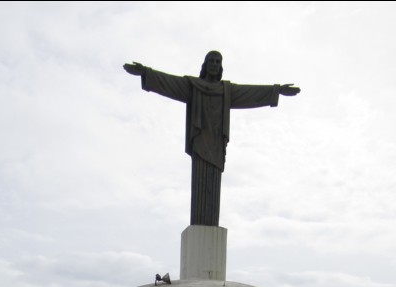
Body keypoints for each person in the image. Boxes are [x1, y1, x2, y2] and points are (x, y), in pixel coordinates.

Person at [124, 51, 300, 226]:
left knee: (213, 188)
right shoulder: (193, 85)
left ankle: (209, 224)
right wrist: (146, 73)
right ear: (205, 64)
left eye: (218, 61)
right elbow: (170, 82)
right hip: (200, 141)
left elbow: (250, 93)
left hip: (216, 145)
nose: (215, 64)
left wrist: (277, 90)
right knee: (200, 186)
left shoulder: (227, 91)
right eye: (212, 61)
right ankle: (200, 224)